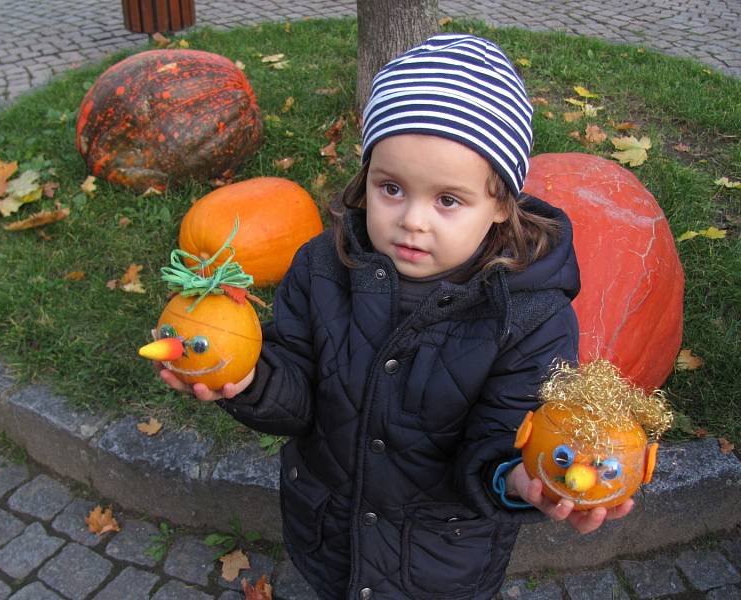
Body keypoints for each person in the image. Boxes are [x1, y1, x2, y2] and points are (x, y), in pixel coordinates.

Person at [159, 33, 634, 600]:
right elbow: (300, 391)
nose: (412, 220)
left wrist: (519, 480)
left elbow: (502, 441)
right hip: (329, 531)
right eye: (391, 188)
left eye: (447, 201)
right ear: (366, 178)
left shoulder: (530, 318)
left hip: (439, 561)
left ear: (502, 204)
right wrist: (251, 380)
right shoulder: (321, 267)